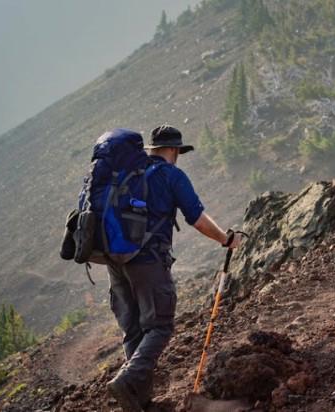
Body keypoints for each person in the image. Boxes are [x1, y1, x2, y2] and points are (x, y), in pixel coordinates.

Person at [106, 125, 242, 412]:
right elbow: (197, 217)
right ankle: (128, 380)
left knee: (134, 330)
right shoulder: (171, 175)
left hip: (115, 260)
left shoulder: (126, 174)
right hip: (148, 261)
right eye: (178, 151)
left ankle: (139, 402)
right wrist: (226, 239)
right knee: (159, 327)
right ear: (174, 151)